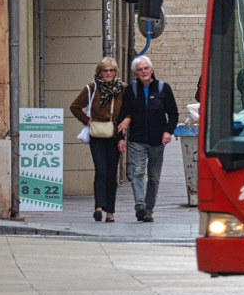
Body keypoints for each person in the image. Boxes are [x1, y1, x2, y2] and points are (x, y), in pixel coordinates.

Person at [116, 55, 179, 223]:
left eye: (146, 68)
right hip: (137, 139)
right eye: (140, 70)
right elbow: (124, 115)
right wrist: (120, 138)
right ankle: (140, 205)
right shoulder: (131, 90)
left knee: (153, 177)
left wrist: (168, 132)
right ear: (135, 73)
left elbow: (173, 114)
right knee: (137, 173)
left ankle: (149, 209)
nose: (144, 72)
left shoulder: (163, 88)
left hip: (157, 140)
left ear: (151, 69)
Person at [69, 57, 126, 222]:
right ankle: (99, 207)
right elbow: (75, 106)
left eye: (111, 70)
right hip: (97, 135)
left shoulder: (123, 89)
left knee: (111, 173)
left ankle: (110, 212)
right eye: (105, 70)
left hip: (115, 135)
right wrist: (88, 121)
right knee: (101, 170)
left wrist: (126, 121)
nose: (108, 73)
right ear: (99, 72)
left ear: (116, 72)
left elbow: (129, 110)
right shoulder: (92, 88)